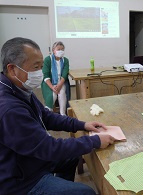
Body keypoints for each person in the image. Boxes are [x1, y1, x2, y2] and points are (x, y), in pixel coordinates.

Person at [0, 37, 115, 194]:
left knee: (71, 157)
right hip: (21, 181)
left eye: (41, 67)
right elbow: (49, 148)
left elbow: (47, 117)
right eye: (35, 67)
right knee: (85, 192)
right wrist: (94, 140)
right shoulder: (9, 108)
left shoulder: (20, 89)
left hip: (31, 161)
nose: (40, 73)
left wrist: (82, 125)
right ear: (13, 69)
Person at [41, 41, 70, 115]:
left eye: (62, 49)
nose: (61, 51)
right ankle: (48, 113)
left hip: (61, 82)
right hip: (49, 82)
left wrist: (59, 85)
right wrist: (52, 87)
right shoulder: (48, 60)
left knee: (62, 93)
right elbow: (46, 75)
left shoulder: (65, 60)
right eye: (58, 49)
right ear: (53, 50)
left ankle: (63, 114)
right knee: (53, 95)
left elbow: (64, 74)